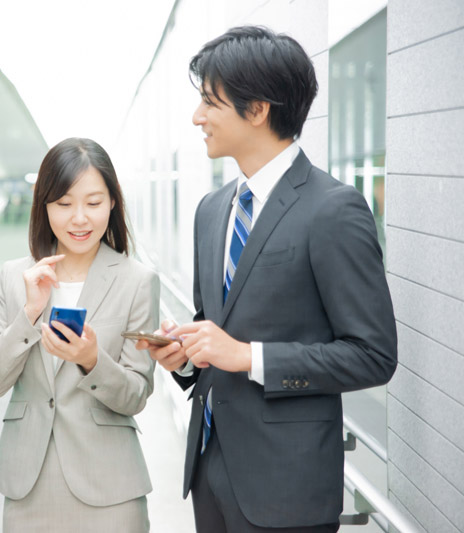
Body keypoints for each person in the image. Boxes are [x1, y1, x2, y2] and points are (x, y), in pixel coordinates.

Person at [138, 26, 398, 532]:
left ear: (257, 109)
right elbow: (212, 324)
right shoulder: (211, 211)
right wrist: (184, 354)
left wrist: (249, 355)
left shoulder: (333, 209)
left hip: (288, 489)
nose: (197, 117)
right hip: (210, 470)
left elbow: (374, 355)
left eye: (210, 103)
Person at [0, 138, 159, 532]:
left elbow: (136, 395)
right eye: (63, 204)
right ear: (44, 206)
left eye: (93, 203)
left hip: (110, 486)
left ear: (113, 203)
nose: (79, 218)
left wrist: (92, 360)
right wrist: (29, 314)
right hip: (28, 483)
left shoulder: (137, 281)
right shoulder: (14, 277)